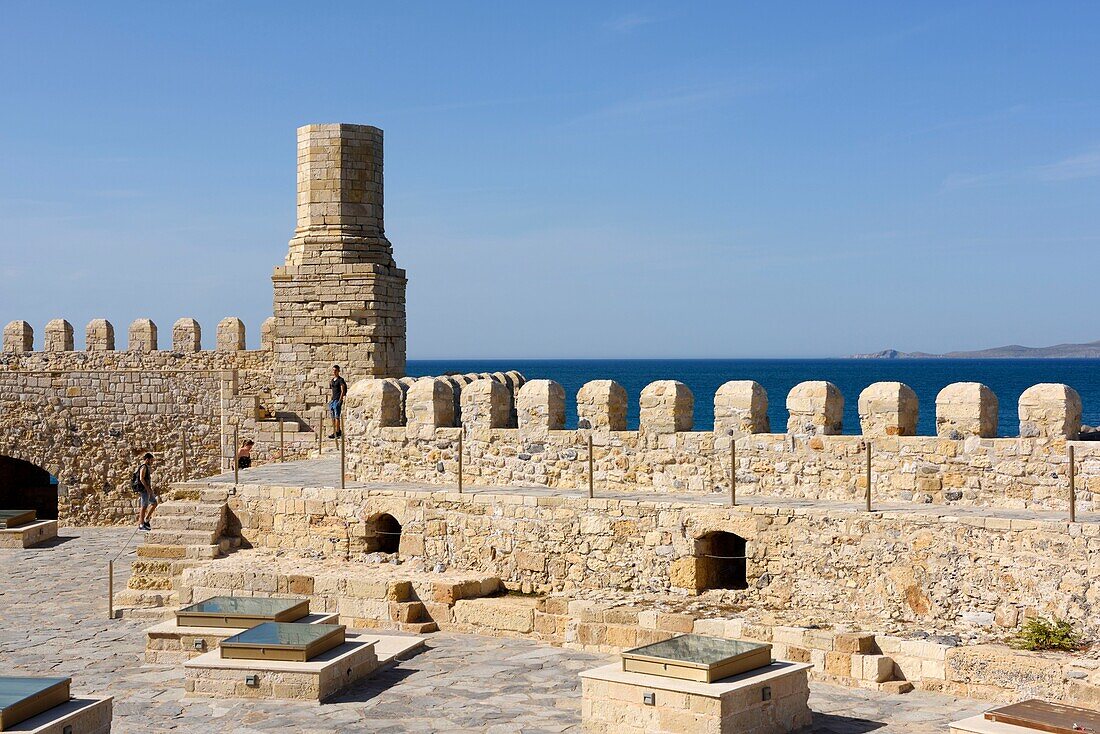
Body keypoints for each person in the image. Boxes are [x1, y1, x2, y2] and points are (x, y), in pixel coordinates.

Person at [133, 452, 157, 531]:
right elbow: (141, 478)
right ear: (147, 459)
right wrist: (147, 489)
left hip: (147, 489)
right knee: (144, 506)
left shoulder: (146, 467)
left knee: (154, 503)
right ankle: (141, 524)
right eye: (151, 460)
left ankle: (146, 519)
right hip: (144, 490)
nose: (151, 462)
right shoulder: (143, 467)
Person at [328, 365, 348, 439]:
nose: (334, 372)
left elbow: (342, 390)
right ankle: (336, 431)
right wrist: (330, 400)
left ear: (338, 371)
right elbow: (332, 391)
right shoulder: (332, 380)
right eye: (333, 370)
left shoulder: (340, 380)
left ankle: (337, 431)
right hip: (333, 400)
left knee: (337, 417)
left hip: (337, 400)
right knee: (333, 417)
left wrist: (340, 400)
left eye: (335, 370)